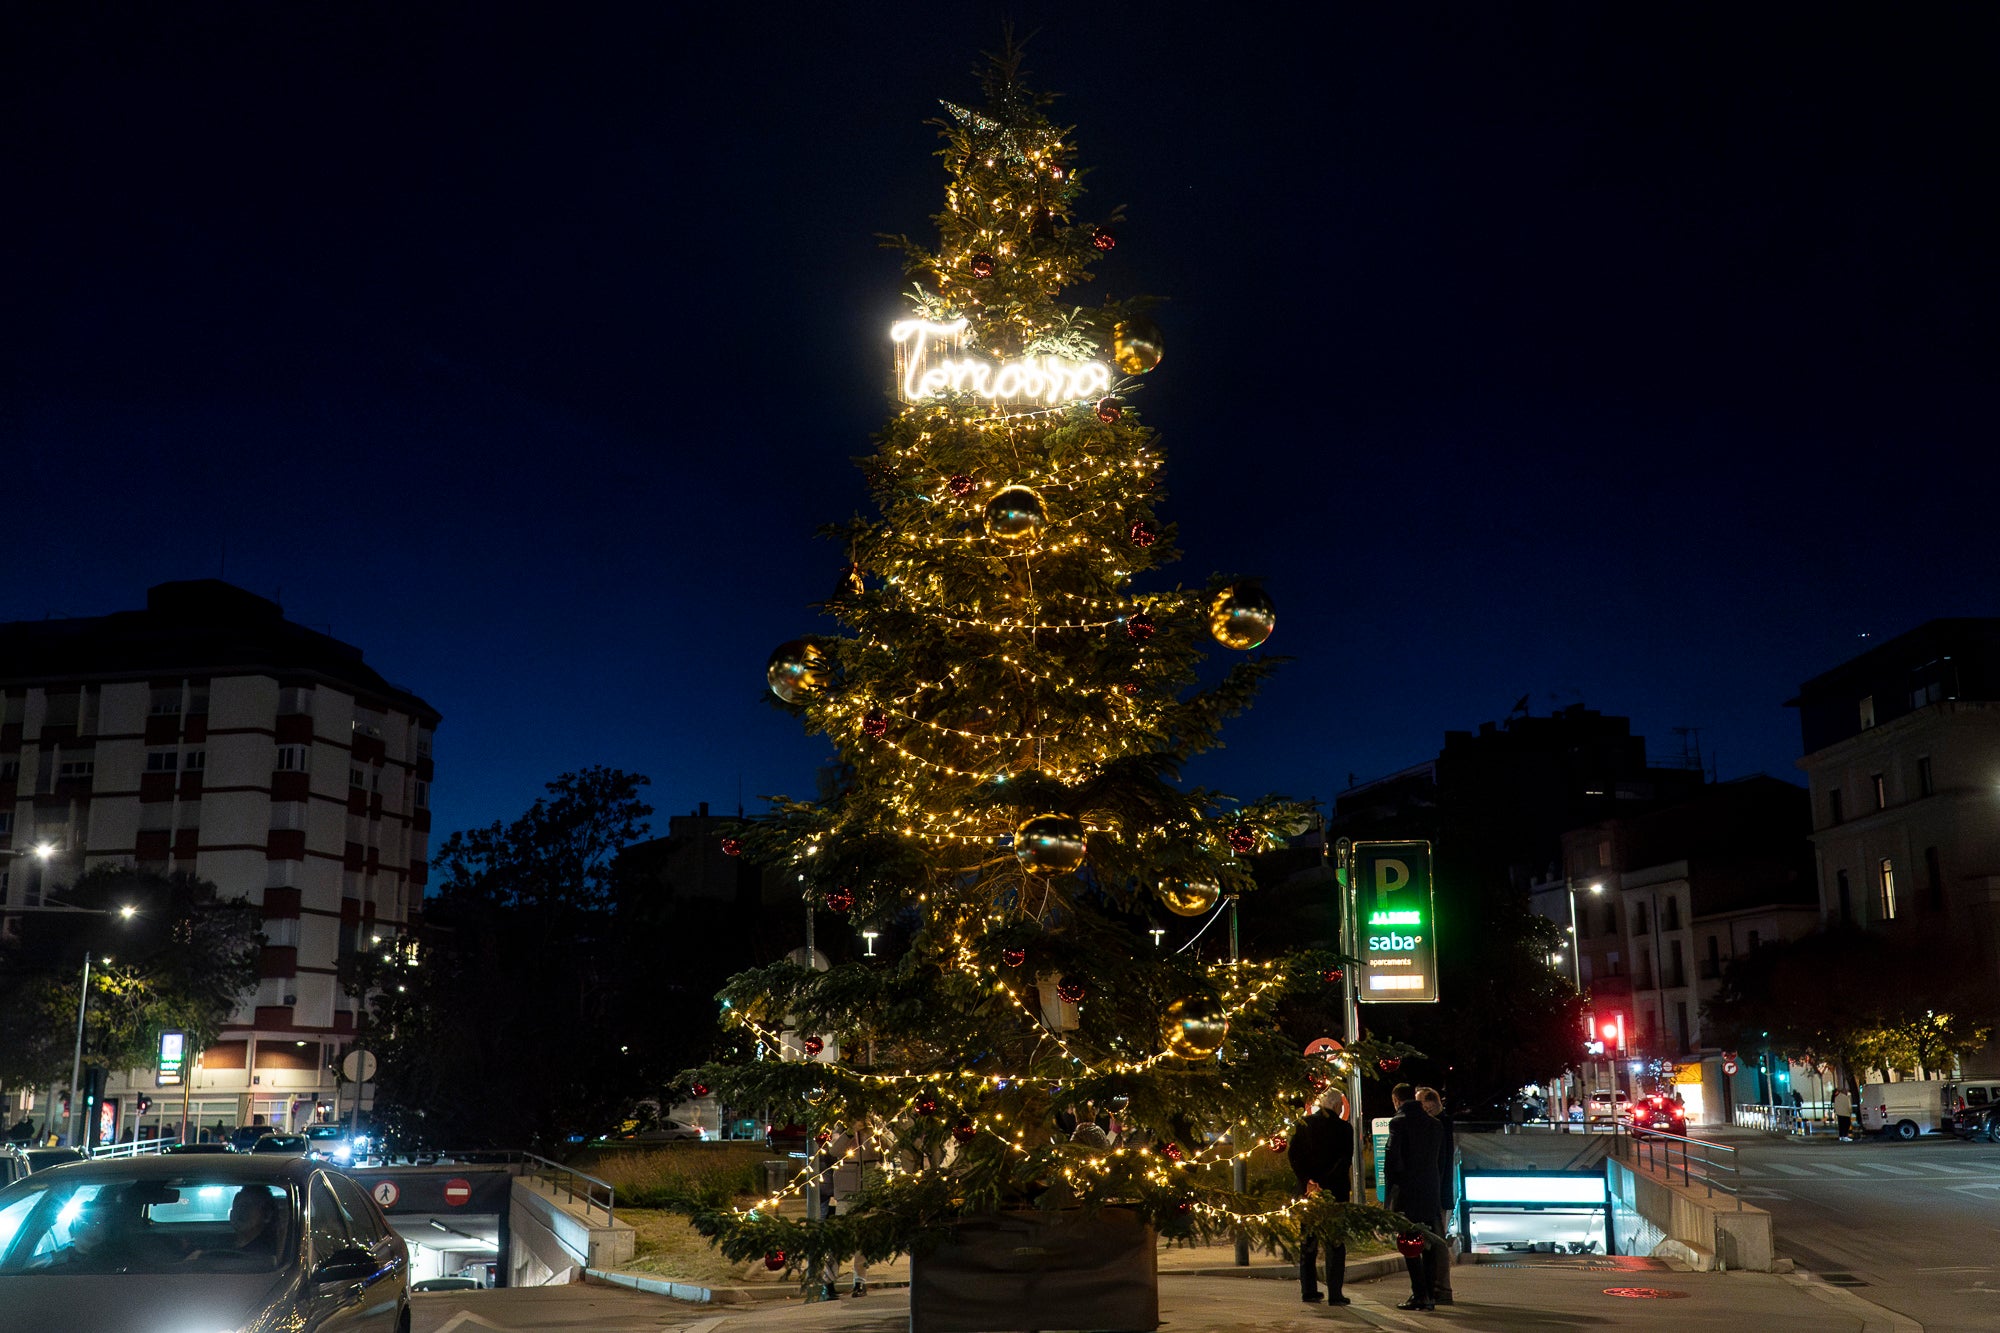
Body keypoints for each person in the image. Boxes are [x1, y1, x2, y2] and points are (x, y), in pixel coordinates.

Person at [1286, 1089, 1354, 1306]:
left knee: (1308, 1240)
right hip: (1335, 1192)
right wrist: (1324, 1183)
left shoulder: (1304, 1125)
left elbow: (1293, 1155)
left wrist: (1308, 1180)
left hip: (1307, 1191)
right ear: (1336, 1106)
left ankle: (1309, 1290)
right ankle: (1335, 1293)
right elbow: (1344, 1161)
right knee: (1335, 1243)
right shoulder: (1344, 1129)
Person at [1384, 1082, 1446, 1312]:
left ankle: (1419, 1294)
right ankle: (1429, 1293)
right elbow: (1440, 1162)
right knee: (1428, 1244)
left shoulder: (1398, 1123)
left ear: (1396, 1101)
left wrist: (1390, 1195)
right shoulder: (1435, 1125)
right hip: (1430, 1191)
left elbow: (1392, 1162)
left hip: (1407, 1193)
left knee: (1410, 1244)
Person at [1417, 1087, 1456, 1306]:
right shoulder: (1443, 1123)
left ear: (1430, 1103)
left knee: (1437, 1241)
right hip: (1440, 1192)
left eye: (1421, 1104)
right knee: (1436, 1240)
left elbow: (1437, 1162)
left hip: (1438, 1193)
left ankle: (1441, 1287)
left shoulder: (1438, 1124)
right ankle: (1439, 1286)